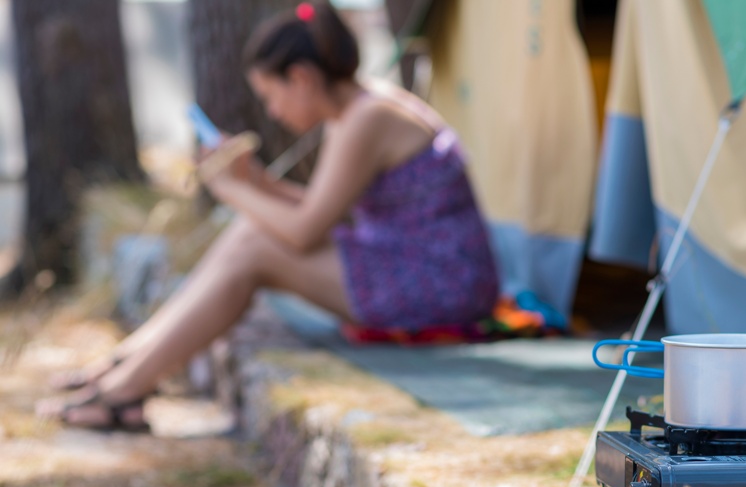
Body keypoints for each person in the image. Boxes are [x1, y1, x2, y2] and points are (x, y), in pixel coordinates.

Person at [37, 1, 499, 431]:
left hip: (442, 285)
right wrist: (256, 182)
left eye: (271, 96)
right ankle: (127, 365)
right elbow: (322, 210)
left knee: (256, 245)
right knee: (251, 233)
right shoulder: (361, 108)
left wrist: (229, 188)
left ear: (300, 77)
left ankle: (124, 389)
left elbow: (305, 232)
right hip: (413, 265)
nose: (272, 112)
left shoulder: (366, 119)